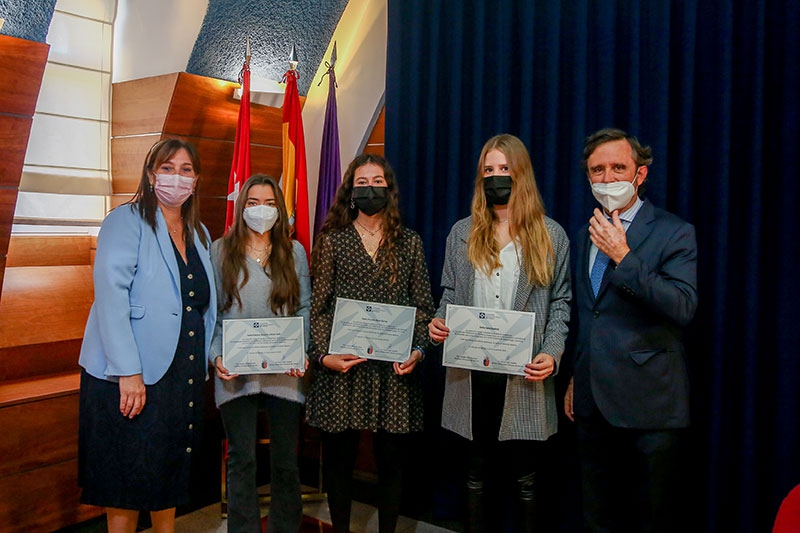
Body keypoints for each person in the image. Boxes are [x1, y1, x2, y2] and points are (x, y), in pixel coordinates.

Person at [428, 133, 572, 532]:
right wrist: (439, 323)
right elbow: (450, 296)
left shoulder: (551, 235)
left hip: (523, 374)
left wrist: (554, 352)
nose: (495, 177)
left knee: (525, 478)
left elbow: (561, 304)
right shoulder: (461, 233)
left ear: (521, 174)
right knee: (475, 473)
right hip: (470, 372)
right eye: (488, 170)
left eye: (504, 169)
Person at [78, 138, 216, 533]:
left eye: (186, 169)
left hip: (180, 375)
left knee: (167, 473)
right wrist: (129, 372)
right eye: (167, 168)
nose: (176, 177)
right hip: (129, 376)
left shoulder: (200, 233)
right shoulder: (126, 220)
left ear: (196, 179)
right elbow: (111, 297)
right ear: (152, 174)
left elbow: (202, 304)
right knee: (126, 479)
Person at [564, 128, 698, 532]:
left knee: (650, 519)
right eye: (597, 170)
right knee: (598, 516)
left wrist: (623, 255)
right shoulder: (586, 231)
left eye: (618, 167)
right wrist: (575, 377)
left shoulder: (674, 231)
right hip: (592, 404)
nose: (607, 178)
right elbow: (591, 315)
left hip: (649, 407)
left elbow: (682, 306)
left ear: (640, 174)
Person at [305, 153, 435, 533]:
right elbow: (319, 306)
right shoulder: (332, 241)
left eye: (377, 181)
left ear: (389, 190)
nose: (369, 189)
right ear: (350, 190)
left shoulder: (409, 243)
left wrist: (418, 349)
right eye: (361, 182)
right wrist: (324, 355)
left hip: (394, 374)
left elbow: (424, 307)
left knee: (392, 467)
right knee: (340, 466)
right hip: (343, 371)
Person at [209, 174, 310, 533]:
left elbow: (304, 308)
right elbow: (214, 313)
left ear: (279, 210)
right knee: (242, 460)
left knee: (285, 461)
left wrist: (302, 351)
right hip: (235, 372)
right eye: (253, 203)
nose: (260, 210)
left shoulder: (293, 251)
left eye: (269, 204)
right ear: (241, 208)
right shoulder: (220, 250)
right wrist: (217, 356)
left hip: (285, 372)